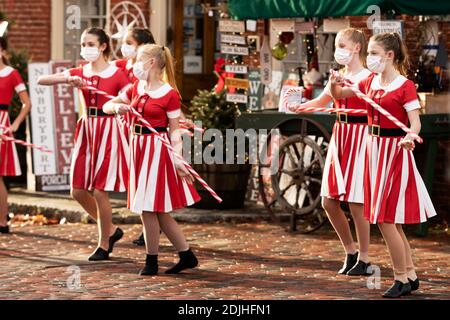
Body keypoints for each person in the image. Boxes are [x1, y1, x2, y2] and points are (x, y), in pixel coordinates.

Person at [329, 32, 437, 298]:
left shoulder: (404, 86)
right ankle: (409, 274)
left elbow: (415, 123)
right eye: (369, 54)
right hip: (372, 150)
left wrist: (411, 137)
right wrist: (334, 84)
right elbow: (340, 94)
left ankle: (400, 277)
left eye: (374, 54)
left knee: (388, 220)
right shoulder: (370, 81)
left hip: (395, 152)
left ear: (389, 55)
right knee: (392, 223)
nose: (370, 59)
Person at [103, 44, 201, 275]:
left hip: (157, 151)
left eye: (139, 59)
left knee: (148, 208)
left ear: (152, 63)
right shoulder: (136, 87)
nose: (134, 64)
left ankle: (152, 261)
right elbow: (107, 105)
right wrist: (117, 108)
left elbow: (175, 130)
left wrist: (178, 160)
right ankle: (186, 255)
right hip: (137, 149)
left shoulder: (169, 94)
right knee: (156, 210)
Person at [37, 27, 131, 261]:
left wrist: (121, 102)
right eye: (83, 44)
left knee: (100, 190)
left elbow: (132, 95)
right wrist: (68, 78)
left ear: (102, 46)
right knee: (77, 190)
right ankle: (110, 229)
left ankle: (104, 243)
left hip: (108, 129)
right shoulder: (80, 71)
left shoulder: (116, 73)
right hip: (86, 129)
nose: (86, 48)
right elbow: (42, 79)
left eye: (90, 44)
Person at [292, 28, 372, 276]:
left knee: (357, 202)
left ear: (357, 47)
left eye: (342, 45)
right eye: (337, 45)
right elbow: (322, 102)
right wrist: (299, 106)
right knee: (329, 201)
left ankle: (366, 257)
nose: (338, 49)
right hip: (341, 137)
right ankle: (349, 251)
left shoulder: (369, 77)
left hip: (362, 137)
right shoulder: (336, 75)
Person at [0, 36, 32, 234]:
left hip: (2, 124)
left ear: (3, 52)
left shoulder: (12, 73)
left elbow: (27, 103)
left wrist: (15, 124)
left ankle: (2, 221)